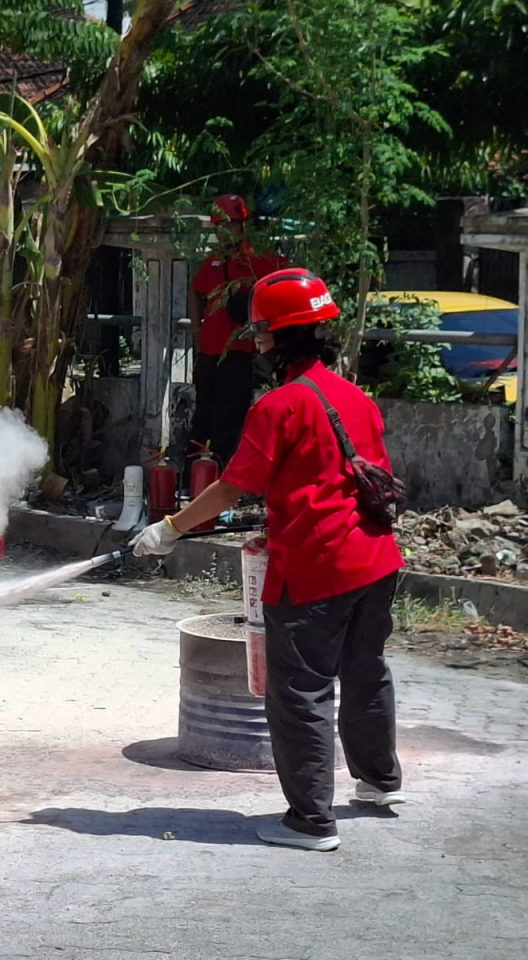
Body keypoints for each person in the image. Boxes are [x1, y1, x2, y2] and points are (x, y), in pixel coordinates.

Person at [132, 268, 406, 852]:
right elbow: (347, 479)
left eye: (259, 334)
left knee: (301, 691)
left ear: (282, 337)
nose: (255, 344)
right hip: (376, 559)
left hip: (315, 569)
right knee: (366, 671)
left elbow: (233, 486)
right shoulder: (355, 398)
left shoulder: (279, 406)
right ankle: (379, 783)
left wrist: (170, 527)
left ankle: (311, 822)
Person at [188, 194, 287, 467]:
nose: (225, 231)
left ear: (243, 225)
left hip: (240, 354)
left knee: (229, 422)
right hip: (209, 354)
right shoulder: (212, 262)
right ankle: (192, 478)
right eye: (220, 225)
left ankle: (220, 476)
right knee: (202, 419)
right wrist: (197, 330)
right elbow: (195, 290)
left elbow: (284, 286)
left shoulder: (259, 259)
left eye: (231, 224)